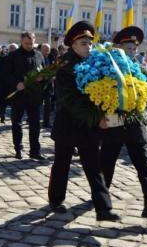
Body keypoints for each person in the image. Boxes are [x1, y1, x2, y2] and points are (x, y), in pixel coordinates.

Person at [48, 21, 120, 221]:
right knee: (62, 163)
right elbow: (69, 100)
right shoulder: (65, 66)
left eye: (89, 43)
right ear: (73, 44)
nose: (88, 46)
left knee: (94, 166)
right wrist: (97, 117)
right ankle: (56, 199)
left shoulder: (94, 63)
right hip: (68, 125)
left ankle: (103, 208)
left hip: (88, 127)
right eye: (83, 43)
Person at [100, 26, 147, 220]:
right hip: (114, 123)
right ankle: (101, 198)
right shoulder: (108, 67)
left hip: (135, 124)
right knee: (107, 161)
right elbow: (98, 93)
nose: (131, 52)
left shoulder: (141, 68)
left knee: (143, 163)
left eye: (134, 48)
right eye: (127, 48)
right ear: (118, 47)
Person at [1, 32, 45, 160]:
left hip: (34, 95)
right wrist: (16, 83)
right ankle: (18, 148)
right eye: (27, 43)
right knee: (17, 123)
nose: (29, 46)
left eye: (31, 43)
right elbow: (5, 74)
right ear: (21, 41)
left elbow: (45, 71)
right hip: (19, 95)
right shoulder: (13, 56)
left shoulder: (39, 55)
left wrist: (42, 78)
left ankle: (35, 151)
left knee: (35, 124)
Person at [41, 43, 54, 128]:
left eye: (48, 50)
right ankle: (32, 119)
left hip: (49, 85)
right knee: (37, 104)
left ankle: (46, 122)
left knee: (48, 104)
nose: (46, 51)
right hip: (39, 85)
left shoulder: (51, 58)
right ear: (41, 50)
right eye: (45, 49)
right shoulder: (37, 57)